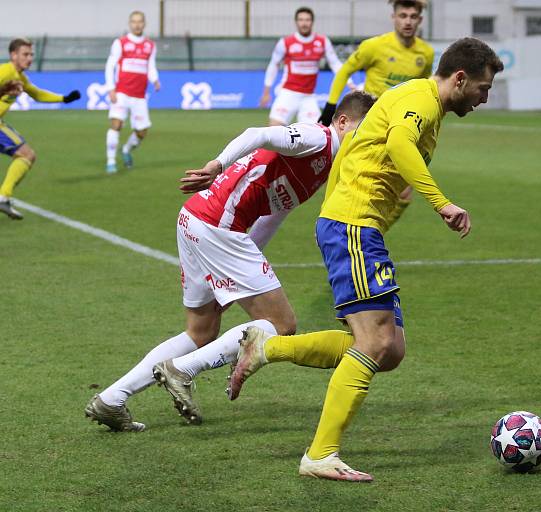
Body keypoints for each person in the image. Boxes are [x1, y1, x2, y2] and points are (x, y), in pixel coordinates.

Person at [228, 37, 504, 482]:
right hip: (352, 226)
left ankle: (267, 348)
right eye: (483, 88)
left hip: (356, 225)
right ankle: (320, 454)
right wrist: (441, 203)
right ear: (460, 78)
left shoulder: (416, 99)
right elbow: (399, 145)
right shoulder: (421, 101)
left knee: (389, 348)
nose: (484, 98)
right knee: (373, 342)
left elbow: (357, 150)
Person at [85, 92, 375, 432]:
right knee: (282, 325)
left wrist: (233, 276)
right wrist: (217, 165)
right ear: (341, 122)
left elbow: (273, 216)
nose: (368, 139)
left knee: (201, 330)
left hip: (197, 221)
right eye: (364, 129)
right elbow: (260, 134)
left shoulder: (327, 168)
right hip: (216, 226)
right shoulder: (318, 139)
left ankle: (112, 399)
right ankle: (182, 371)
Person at [318, 0, 435, 227]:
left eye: (413, 16)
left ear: (420, 19)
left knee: (404, 193)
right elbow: (345, 70)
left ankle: (373, 235)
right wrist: (330, 107)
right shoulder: (374, 46)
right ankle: (332, 225)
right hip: (370, 124)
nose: (408, 21)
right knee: (353, 182)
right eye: (403, 15)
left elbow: (423, 87)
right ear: (394, 17)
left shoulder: (426, 54)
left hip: (401, 127)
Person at [0, 39, 80, 220]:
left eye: (31, 55)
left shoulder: (20, 77)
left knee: (27, 155)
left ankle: (4, 197)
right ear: (13, 55)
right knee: (26, 155)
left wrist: (64, 99)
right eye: (25, 54)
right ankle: (3, 197)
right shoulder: (5, 71)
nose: (29, 59)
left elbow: (37, 93)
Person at [259, 6, 353, 126]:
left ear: (312, 22)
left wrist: (349, 82)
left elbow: (335, 63)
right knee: (274, 129)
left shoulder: (322, 42)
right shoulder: (286, 43)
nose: (304, 23)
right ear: (296, 22)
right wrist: (266, 92)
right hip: (288, 93)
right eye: (301, 20)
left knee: (316, 135)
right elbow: (273, 65)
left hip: (308, 97)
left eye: (307, 20)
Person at [104, 11, 160, 174]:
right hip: (121, 92)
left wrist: (155, 80)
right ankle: (111, 161)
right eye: (134, 22)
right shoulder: (120, 43)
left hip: (140, 96)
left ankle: (126, 149)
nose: (137, 24)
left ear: (144, 23)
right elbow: (110, 65)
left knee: (142, 132)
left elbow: (150, 66)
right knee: (116, 124)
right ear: (130, 23)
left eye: (140, 21)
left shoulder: (150, 45)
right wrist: (110, 88)